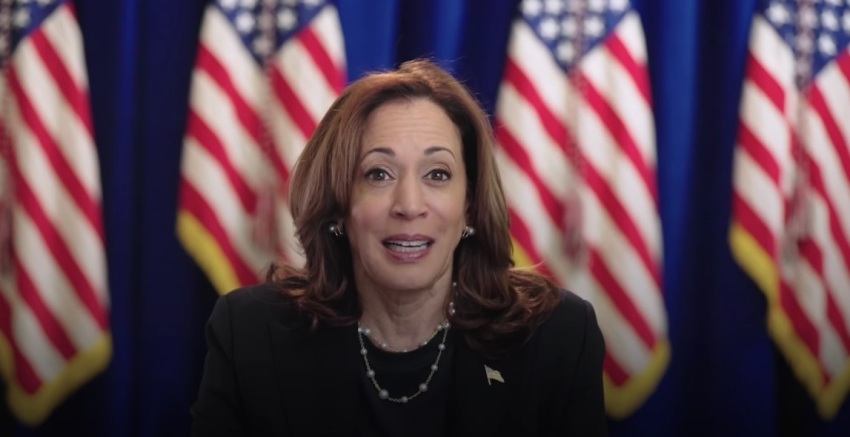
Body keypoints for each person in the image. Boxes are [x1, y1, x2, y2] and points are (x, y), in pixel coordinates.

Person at [191, 59, 606, 436]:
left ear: (471, 206)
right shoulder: (250, 335)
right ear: (338, 206)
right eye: (379, 174)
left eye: (438, 174)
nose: (409, 205)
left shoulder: (557, 338)